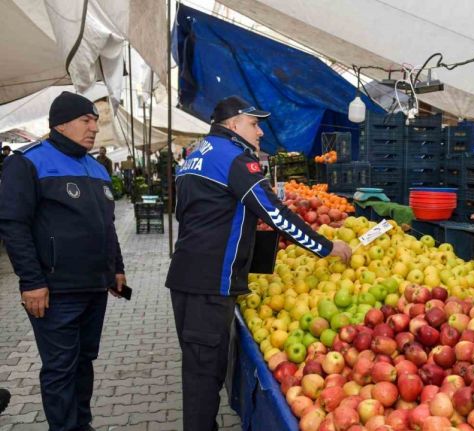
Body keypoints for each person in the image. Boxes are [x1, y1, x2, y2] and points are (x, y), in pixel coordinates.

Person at [165, 95, 352, 430]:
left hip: (188, 277)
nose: (261, 132)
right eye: (254, 123)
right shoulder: (234, 159)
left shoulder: (196, 155)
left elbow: (191, 215)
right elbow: (275, 213)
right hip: (210, 283)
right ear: (233, 124)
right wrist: (325, 247)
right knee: (203, 377)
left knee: (200, 371)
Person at [0, 91, 127, 431]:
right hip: (54, 292)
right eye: (86, 120)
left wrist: (116, 268)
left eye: (96, 122)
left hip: (94, 288)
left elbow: (108, 225)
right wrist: (32, 282)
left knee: (84, 362)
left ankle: (80, 424)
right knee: (60, 367)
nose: (94, 129)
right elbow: (14, 225)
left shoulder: (96, 168)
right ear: (60, 124)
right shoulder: (28, 162)